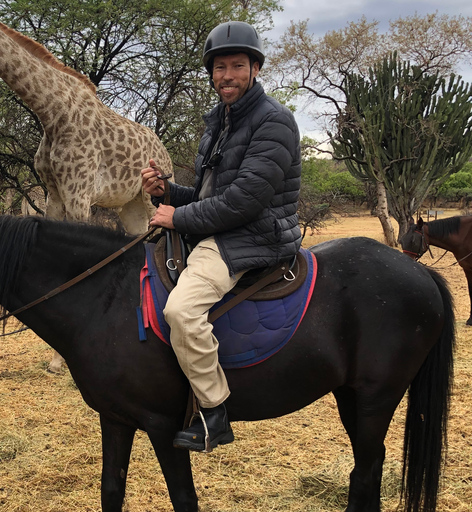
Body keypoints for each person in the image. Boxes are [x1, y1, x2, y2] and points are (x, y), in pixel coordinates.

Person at [141, 20, 302, 452]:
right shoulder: (220, 121)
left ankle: (215, 414)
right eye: (219, 68)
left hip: (253, 236)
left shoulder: (275, 122)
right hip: (227, 226)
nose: (226, 76)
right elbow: (208, 196)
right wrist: (168, 194)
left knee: (181, 311)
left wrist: (177, 218)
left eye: (236, 66)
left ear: (254, 69)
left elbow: (243, 202)